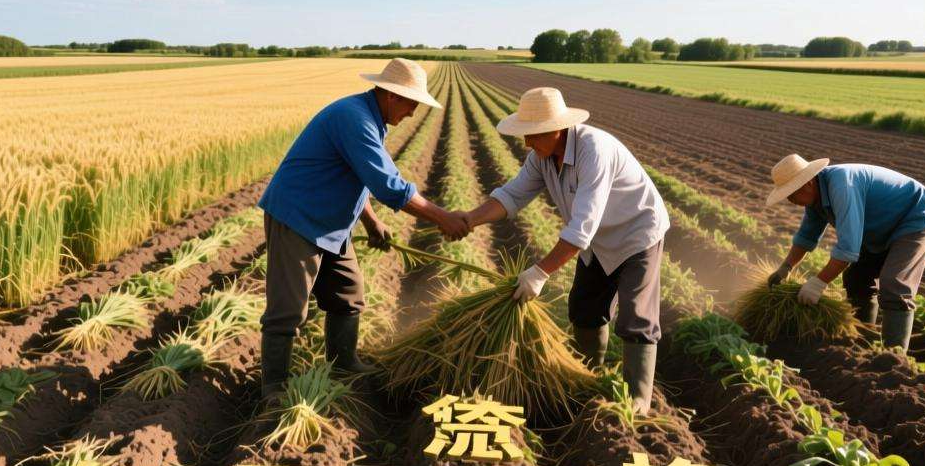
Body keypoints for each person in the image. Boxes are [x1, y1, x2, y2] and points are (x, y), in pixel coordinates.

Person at [258, 58, 469, 396]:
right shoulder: (353, 118)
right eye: (412, 104)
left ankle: (343, 363)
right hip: (299, 216)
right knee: (289, 308)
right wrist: (443, 217)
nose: (413, 113)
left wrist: (370, 221)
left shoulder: (370, 117)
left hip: (333, 221)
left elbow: (357, 176)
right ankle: (274, 384)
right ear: (391, 96)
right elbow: (388, 184)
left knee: (348, 294)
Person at [463, 87, 670, 413]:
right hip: (597, 241)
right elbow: (513, 196)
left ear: (557, 128)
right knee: (584, 308)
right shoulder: (541, 158)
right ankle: (588, 374)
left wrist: (539, 272)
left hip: (636, 232)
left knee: (636, 316)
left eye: (532, 135)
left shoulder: (593, 151)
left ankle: (638, 401)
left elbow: (581, 228)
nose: (527, 143)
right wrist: (468, 220)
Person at [765, 153, 925, 350]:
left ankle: (895, 358)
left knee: (894, 284)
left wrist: (818, 283)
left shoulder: (841, 185)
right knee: (857, 277)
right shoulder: (815, 198)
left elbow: (848, 249)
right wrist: (786, 267)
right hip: (881, 226)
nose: (790, 200)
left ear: (806, 184)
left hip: (914, 214)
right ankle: (864, 341)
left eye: (791, 194)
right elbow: (807, 236)